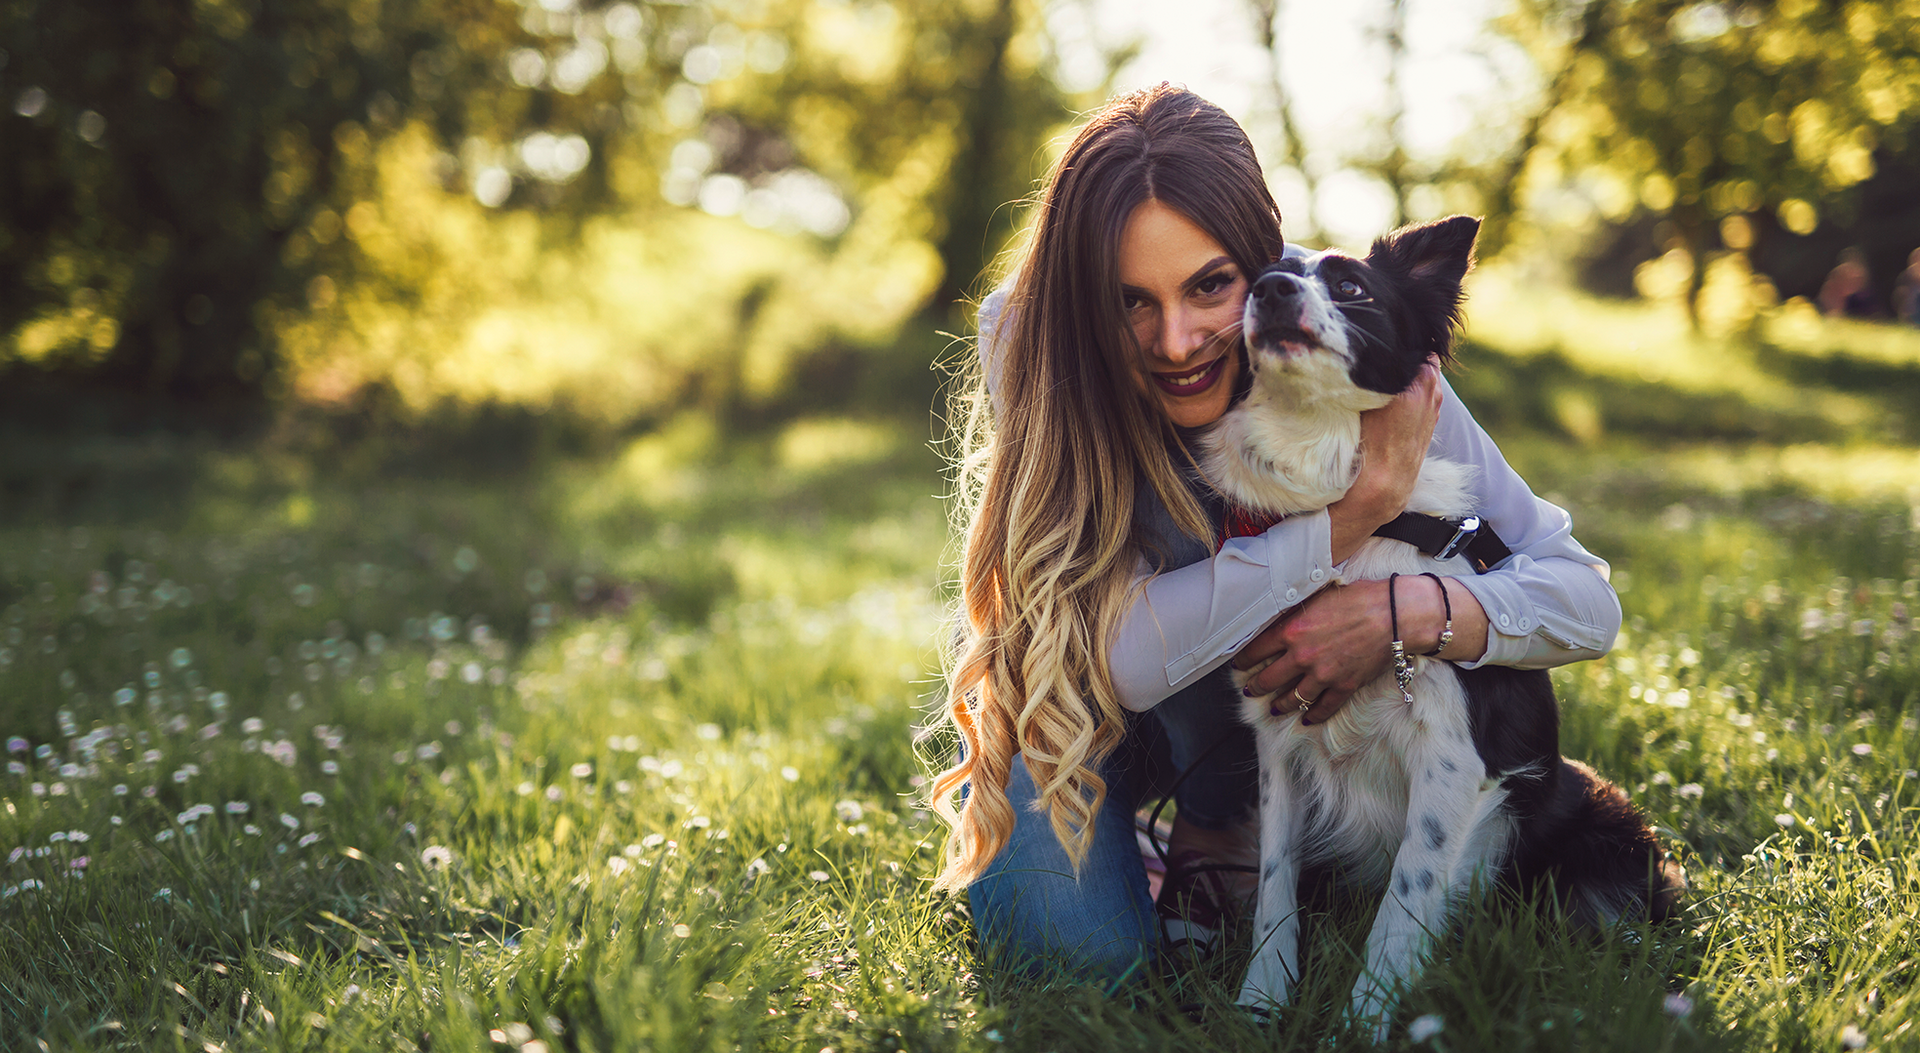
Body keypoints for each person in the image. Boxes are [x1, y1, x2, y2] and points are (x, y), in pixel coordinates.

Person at [927, 84, 1622, 982]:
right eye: (1130, 301)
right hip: (1067, 692)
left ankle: (1218, 828)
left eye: (1210, 286)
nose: (1175, 341)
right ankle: (1170, 835)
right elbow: (1129, 657)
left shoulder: (1342, 344)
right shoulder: (1031, 333)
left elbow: (1586, 601)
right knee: (1078, 964)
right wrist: (1352, 516)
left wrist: (1411, 608)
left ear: (1265, 266)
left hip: (1238, 720)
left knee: (1102, 957)